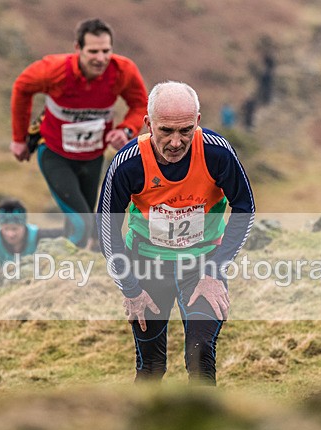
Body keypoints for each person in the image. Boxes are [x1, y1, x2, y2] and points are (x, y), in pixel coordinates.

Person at [97, 81, 256, 386]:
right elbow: (107, 227)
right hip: (147, 264)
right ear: (148, 124)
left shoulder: (217, 153)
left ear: (198, 122)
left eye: (185, 131)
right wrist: (131, 289)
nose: (175, 142)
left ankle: (204, 418)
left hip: (202, 264)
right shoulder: (128, 164)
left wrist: (215, 271)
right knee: (151, 367)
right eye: (166, 131)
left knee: (200, 356)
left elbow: (244, 208)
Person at [10, 18, 148, 250]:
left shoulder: (122, 71)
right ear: (78, 48)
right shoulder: (54, 70)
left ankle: (62, 269)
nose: (101, 58)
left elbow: (140, 104)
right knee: (82, 224)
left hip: (92, 158)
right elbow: (22, 87)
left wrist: (126, 130)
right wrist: (18, 138)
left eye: (106, 51)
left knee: (78, 223)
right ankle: (53, 265)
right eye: (93, 51)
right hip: (55, 154)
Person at [0, 199, 65, 281]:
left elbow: (68, 233)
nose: (10, 234)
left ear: (23, 225)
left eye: (15, 229)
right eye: (6, 229)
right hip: (7, 284)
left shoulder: (38, 235)